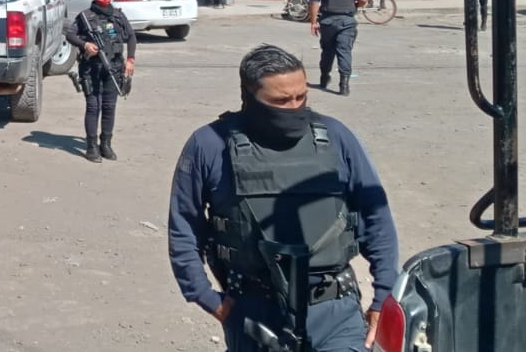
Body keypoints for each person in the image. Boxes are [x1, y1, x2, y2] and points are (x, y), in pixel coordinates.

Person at [167, 44, 398, 352]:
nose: (294, 107)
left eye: (301, 97)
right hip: (253, 311)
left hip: (335, 311)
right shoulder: (209, 144)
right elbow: (184, 225)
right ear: (249, 98)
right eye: (280, 100)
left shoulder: (336, 136)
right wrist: (207, 298)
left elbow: (375, 216)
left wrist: (384, 295)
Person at [64, 0, 135, 162]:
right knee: (94, 106)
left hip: (114, 67)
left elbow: (131, 36)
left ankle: (106, 144)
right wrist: (85, 44)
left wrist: (130, 60)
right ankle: (91, 146)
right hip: (92, 68)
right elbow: (70, 35)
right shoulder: (85, 17)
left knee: (109, 106)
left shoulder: (118, 15)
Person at [308, 0, 368, 96]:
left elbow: (314, 2)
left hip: (327, 21)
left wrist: (313, 22)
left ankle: (324, 77)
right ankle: (344, 85)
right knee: (344, 51)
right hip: (347, 21)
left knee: (327, 51)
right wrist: (355, 5)